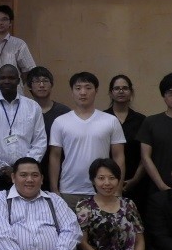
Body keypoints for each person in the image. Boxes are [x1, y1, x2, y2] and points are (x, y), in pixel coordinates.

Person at [48, 71, 126, 207]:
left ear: (96, 91)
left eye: (88, 88)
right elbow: (55, 157)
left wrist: (118, 189)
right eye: (78, 88)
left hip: (103, 189)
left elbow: (119, 156)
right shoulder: (60, 122)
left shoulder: (110, 121)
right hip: (69, 190)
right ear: (72, 92)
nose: (83, 92)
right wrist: (54, 190)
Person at [0, 65, 47, 198]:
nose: (7, 81)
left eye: (11, 78)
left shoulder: (33, 106)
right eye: (3, 78)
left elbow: (40, 141)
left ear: (18, 80)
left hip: (28, 178)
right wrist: (2, 168)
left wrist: (23, 170)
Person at [104, 74, 147, 201]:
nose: (121, 91)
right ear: (111, 93)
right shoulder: (101, 118)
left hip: (137, 182)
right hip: (105, 182)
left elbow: (145, 155)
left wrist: (135, 179)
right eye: (117, 88)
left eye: (125, 88)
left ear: (131, 92)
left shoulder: (142, 120)